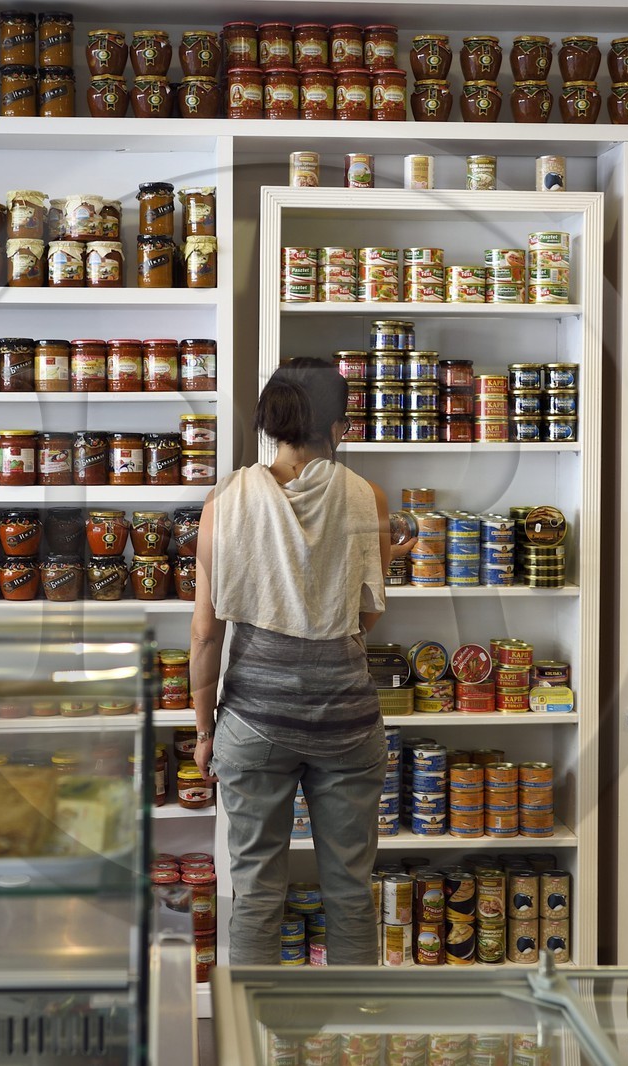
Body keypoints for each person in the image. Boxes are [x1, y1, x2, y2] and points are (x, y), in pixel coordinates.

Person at [189, 356, 395, 965]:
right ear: (336, 426)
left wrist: (204, 732)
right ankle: (358, 1026)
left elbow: (205, 634)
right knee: (350, 892)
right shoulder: (368, 499)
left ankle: (252, 1023)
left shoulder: (224, 501)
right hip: (348, 721)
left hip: (254, 721)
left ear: (272, 421)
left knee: (256, 893)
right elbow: (365, 618)